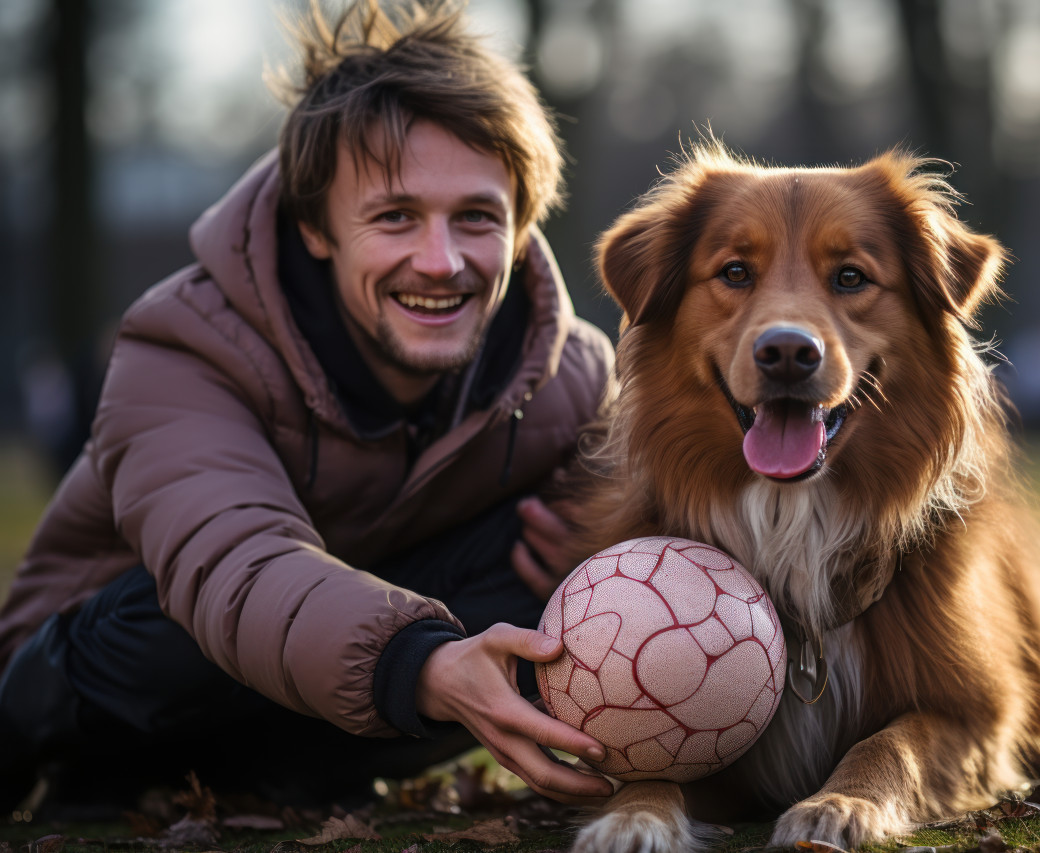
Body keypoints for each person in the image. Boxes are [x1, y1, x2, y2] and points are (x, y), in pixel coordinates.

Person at [0, 0, 616, 812]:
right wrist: (424, 663)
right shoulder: (182, 346)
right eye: (395, 216)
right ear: (315, 227)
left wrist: (602, 551)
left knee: (568, 568)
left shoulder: (572, 375)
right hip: (104, 684)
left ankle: (272, 778)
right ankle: (79, 771)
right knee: (184, 617)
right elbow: (236, 566)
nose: (441, 262)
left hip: (319, 705)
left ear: (522, 224)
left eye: (476, 217)